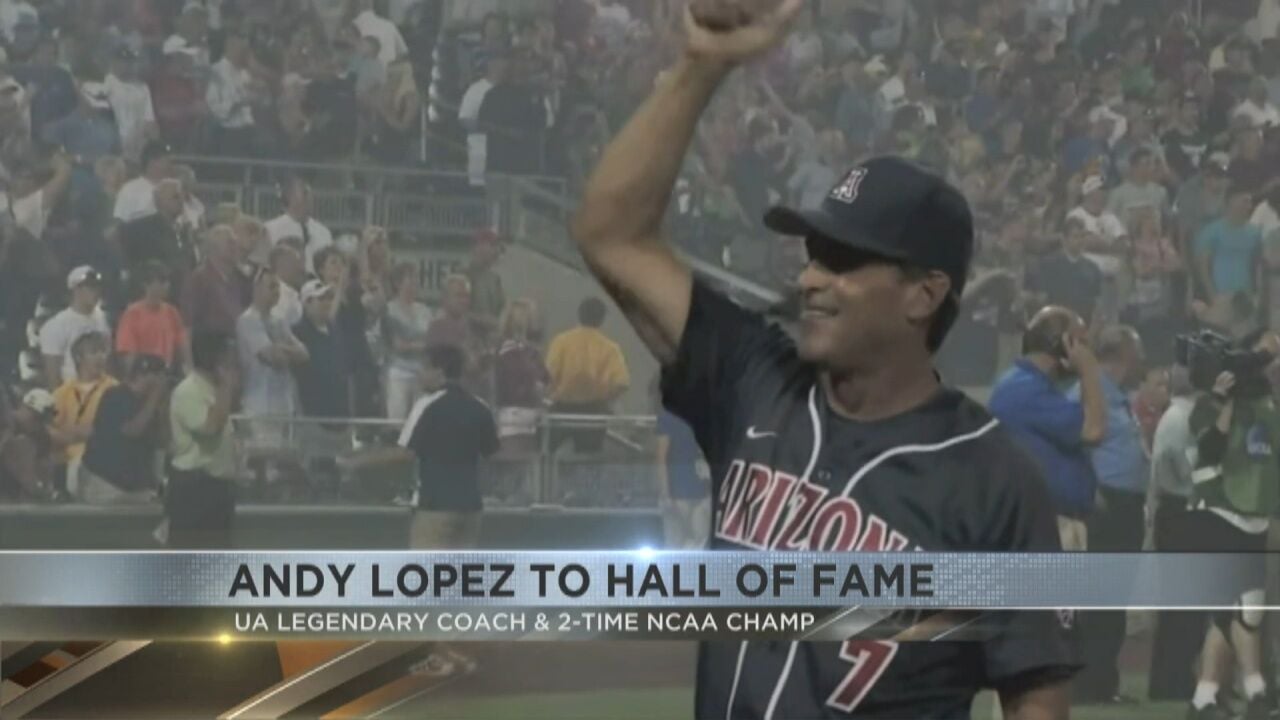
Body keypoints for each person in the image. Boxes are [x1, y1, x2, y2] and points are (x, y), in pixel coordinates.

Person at [570, 2, 1075, 717]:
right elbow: (610, 234)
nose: (810, 278)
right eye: (812, 256)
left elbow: (1037, 697)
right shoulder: (753, 377)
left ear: (922, 295)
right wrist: (702, 64)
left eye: (842, 261)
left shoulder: (991, 478)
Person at [1185, 330, 1280, 720]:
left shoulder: (1267, 406)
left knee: (1230, 615)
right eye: (1268, 354)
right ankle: (1257, 692)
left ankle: (1203, 700)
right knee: (1248, 606)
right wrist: (1225, 399)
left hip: (1254, 515)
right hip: (1219, 507)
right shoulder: (1215, 401)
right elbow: (1207, 449)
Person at [1069, 326, 1149, 704]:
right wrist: (1089, 491)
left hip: (1126, 507)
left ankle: (1104, 684)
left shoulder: (1115, 396)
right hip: (1105, 506)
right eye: (1139, 353)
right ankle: (1088, 685)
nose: (1144, 361)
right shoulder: (1089, 389)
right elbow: (1071, 440)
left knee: (1113, 602)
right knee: (1099, 601)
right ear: (1125, 356)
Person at [990, 307, 1107, 552]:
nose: (1086, 351)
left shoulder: (1031, 385)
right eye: (1081, 343)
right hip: (1045, 527)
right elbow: (1094, 430)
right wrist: (1089, 369)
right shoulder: (1024, 389)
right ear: (1063, 344)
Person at [1147, 365, 1205, 702]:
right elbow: (1181, 468)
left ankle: (1172, 680)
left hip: (1176, 514)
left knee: (1181, 608)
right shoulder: (1181, 418)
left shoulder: (1178, 415)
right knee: (1182, 608)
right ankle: (1172, 682)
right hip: (1180, 513)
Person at [168, 331, 240, 549]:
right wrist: (227, 386)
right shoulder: (188, 390)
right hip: (194, 489)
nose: (233, 360)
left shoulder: (212, 388)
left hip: (218, 488)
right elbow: (210, 428)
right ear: (213, 357)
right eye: (227, 354)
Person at [545, 297, 630, 454]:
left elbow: (547, 375)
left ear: (579, 315)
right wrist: (605, 398)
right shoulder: (610, 348)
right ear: (602, 320)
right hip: (593, 410)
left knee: (546, 454)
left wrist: (551, 395)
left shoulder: (561, 341)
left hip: (561, 409)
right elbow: (621, 383)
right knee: (588, 461)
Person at [79, 354, 167, 504]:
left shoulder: (149, 406)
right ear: (142, 375)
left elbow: (162, 441)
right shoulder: (115, 395)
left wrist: (162, 406)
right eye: (158, 377)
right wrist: (154, 397)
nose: (162, 383)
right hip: (106, 484)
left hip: (137, 487)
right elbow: (131, 430)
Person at [236, 266, 308, 448]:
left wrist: (280, 347)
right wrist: (285, 350)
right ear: (256, 289)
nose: (277, 292)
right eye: (272, 286)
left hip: (284, 403)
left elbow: (304, 354)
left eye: (278, 287)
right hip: (260, 405)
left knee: (284, 462)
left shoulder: (279, 320)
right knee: (264, 462)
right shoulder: (247, 320)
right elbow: (272, 357)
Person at [49, 332, 117, 499]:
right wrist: (77, 434)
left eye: (103, 352)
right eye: (94, 352)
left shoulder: (114, 389)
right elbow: (51, 429)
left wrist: (70, 433)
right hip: (66, 457)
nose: (100, 357)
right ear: (79, 358)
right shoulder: (62, 392)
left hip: (99, 458)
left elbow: (105, 430)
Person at [40, 265, 111, 389]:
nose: (96, 291)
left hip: (102, 390)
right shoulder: (56, 325)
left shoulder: (102, 319)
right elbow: (52, 375)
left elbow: (108, 359)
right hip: (72, 392)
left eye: (97, 286)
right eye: (90, 287)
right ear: (76, 290)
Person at [384, 261, 432, 420]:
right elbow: (398, 345)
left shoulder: (425, 311)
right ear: (397, 283)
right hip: (399, 372)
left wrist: (417, 346)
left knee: (419, 422)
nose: (415, 283)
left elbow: (431, 342)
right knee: (397, 420)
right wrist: (421, 345)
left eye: (417, 279)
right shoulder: (389, 309)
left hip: (421, 372)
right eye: (410, 278)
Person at [265, 176, 334, 272]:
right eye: (305, 193)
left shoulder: (324, 232)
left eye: (310, 193)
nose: (310, 197)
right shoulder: (270, 229)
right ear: (290, 196)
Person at [114, 140, 174, 222]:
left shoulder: (174, 188)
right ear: (152, 162)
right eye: (166, 160)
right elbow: (120, 220)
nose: (170, 165)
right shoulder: (130, 189)